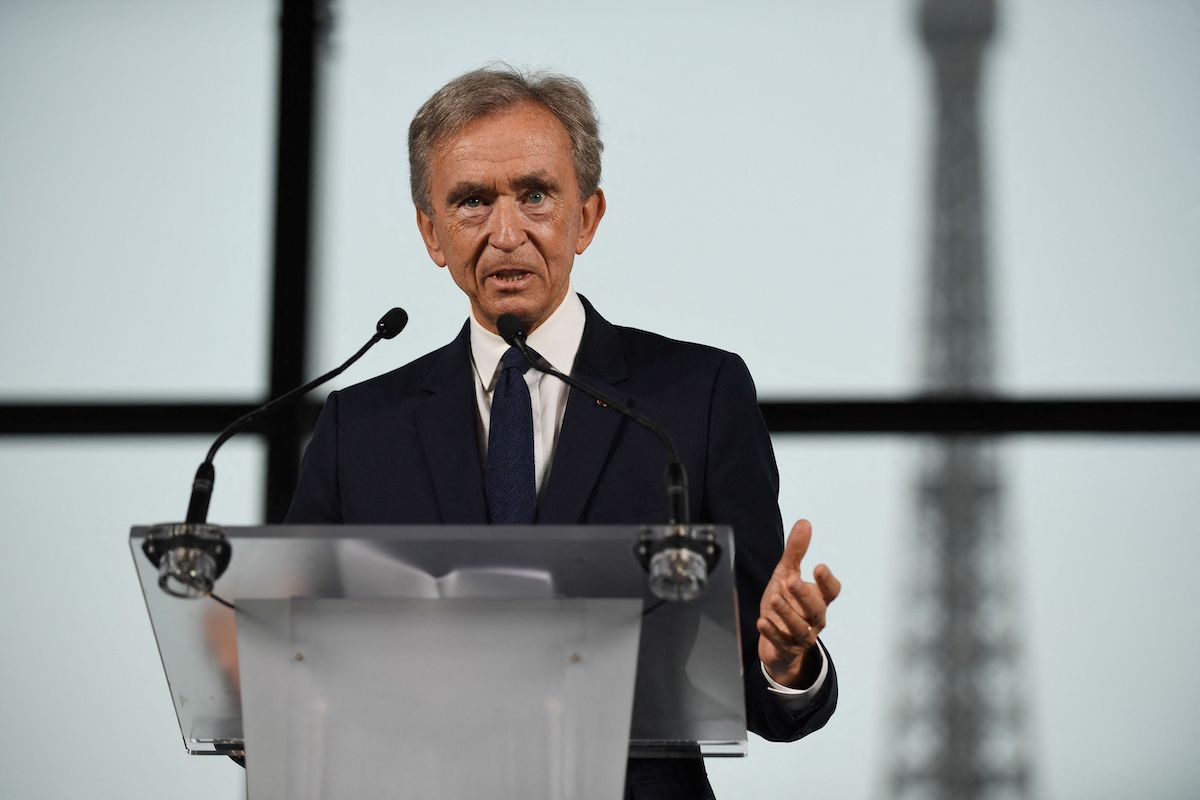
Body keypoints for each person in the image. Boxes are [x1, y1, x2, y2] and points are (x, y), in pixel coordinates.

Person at [286, 66, 841, 799]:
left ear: (587, 216)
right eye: (472, 202)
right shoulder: (360, 426)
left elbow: (760, 683)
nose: (505, 231)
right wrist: (258, 664)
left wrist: (785, 659)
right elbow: (287, 682)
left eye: (536, 195)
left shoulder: (694, 396)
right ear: (431, 231)